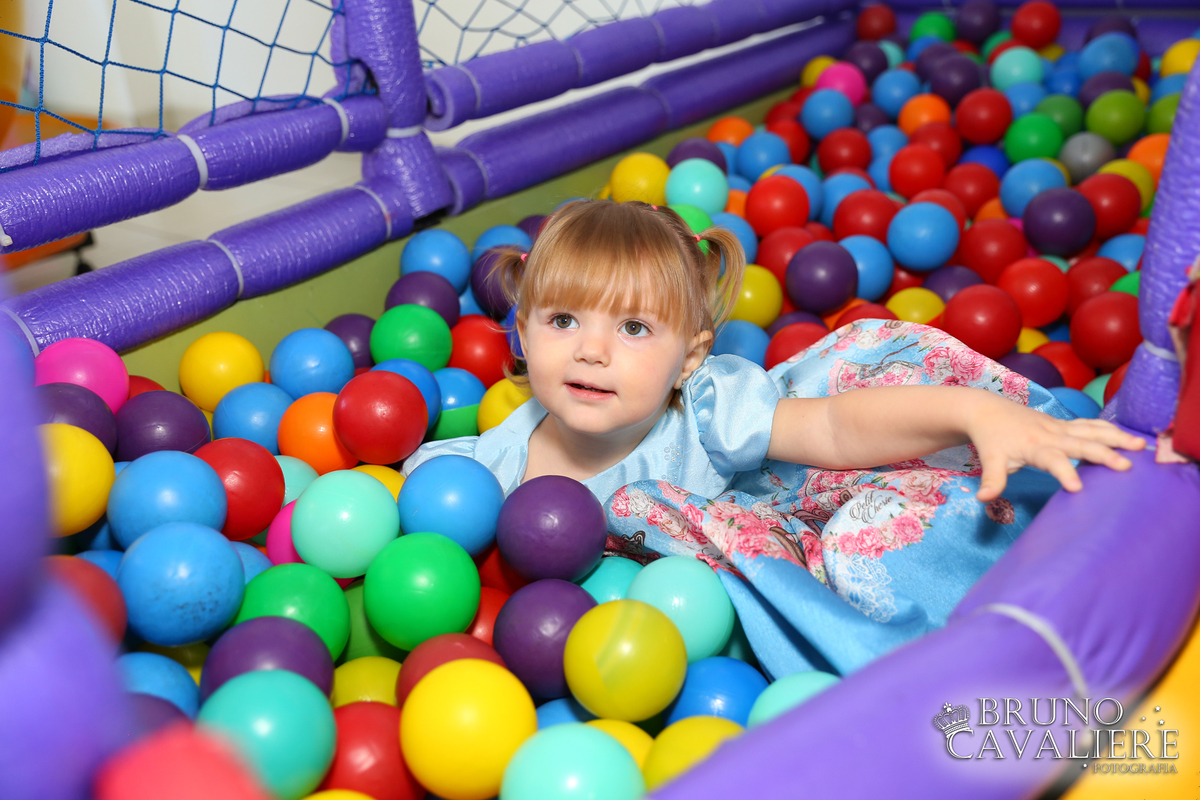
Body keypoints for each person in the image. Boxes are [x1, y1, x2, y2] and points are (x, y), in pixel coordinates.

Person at [404, 199, 1145, 676]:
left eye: (633, 329)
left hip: (772, 541)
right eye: (563, 321)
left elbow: (832, 425)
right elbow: (432, 505)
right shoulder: (498, 457)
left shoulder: (705, 411)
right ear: (524, 335)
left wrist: (970, 415)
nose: (592, 352)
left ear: (688, 358)